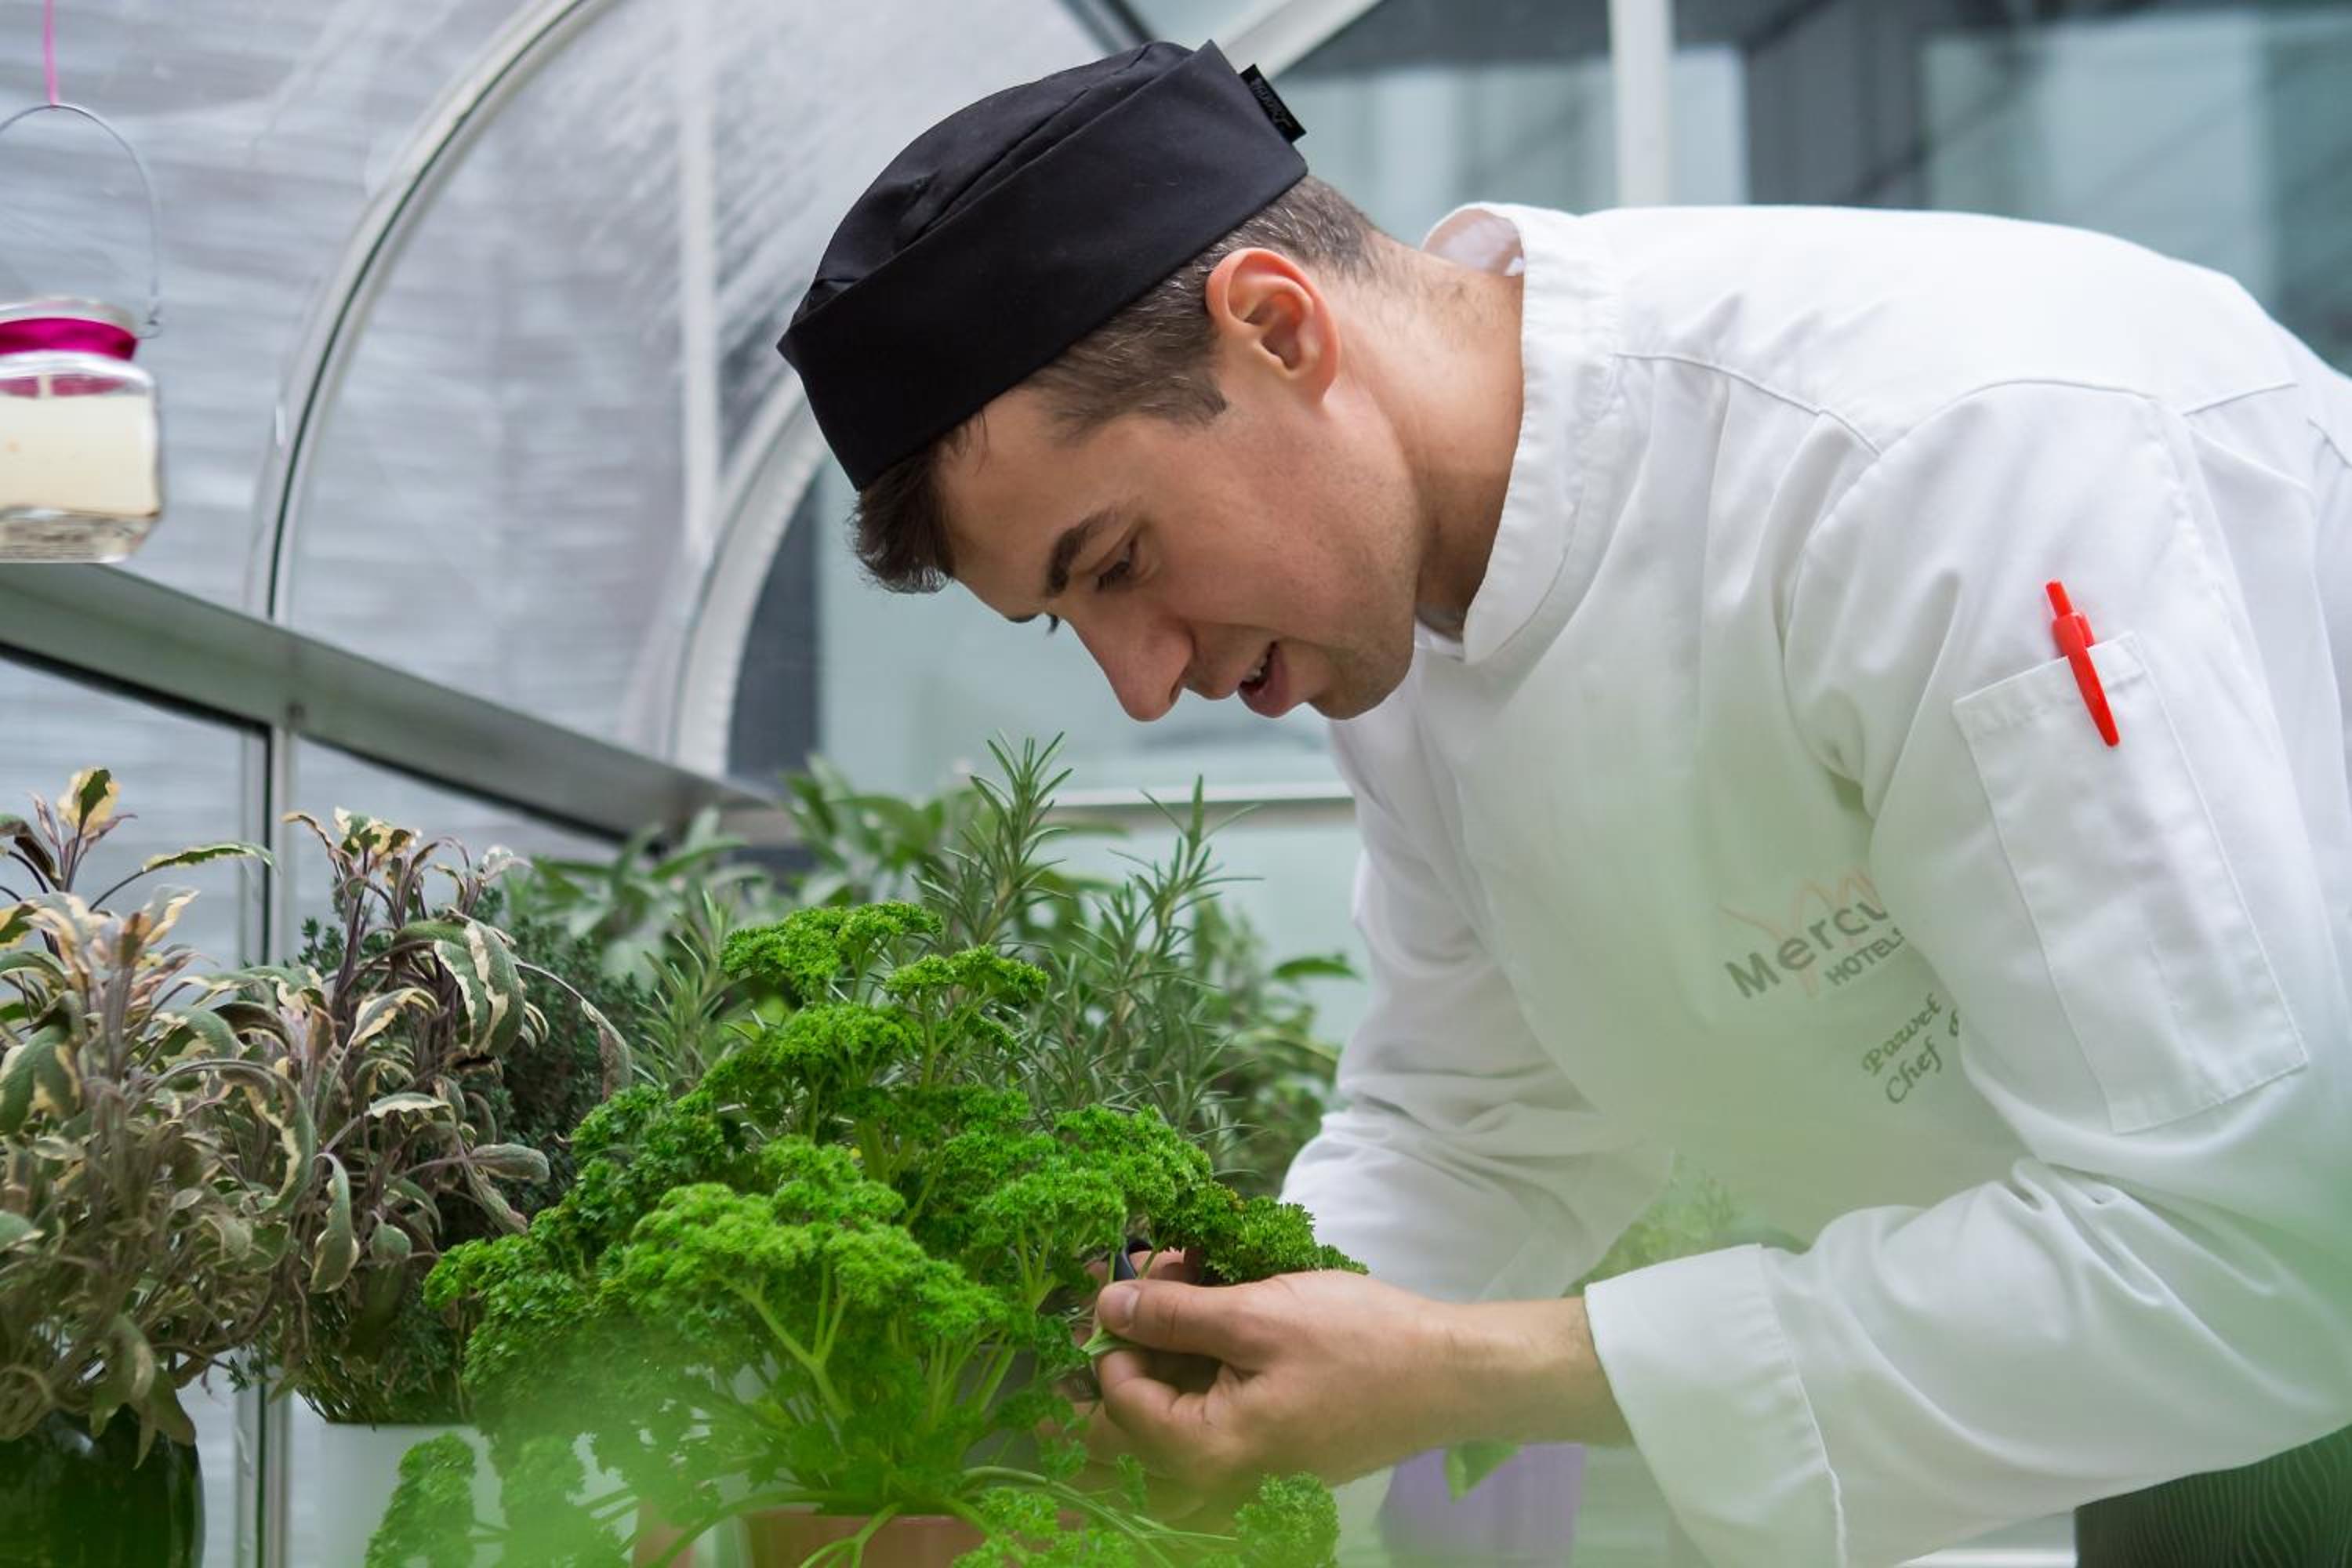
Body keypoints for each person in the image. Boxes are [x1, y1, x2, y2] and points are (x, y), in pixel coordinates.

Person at [778, 38, 2352, 1567]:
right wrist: (1208, 1379)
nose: (1140, 684)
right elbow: (1483, 1126)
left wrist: (1481, 1375)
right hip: (2180, 1404)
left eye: (1121, 562)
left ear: (1276, 328)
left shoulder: (1934, 461)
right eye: (1066, 622)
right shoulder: (1398, 620)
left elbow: (2259, 1240)